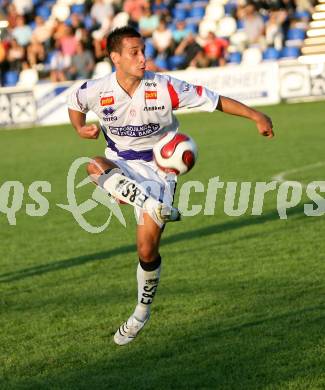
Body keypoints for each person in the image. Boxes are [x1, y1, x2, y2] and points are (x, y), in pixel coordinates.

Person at [67, 26, 274, 346]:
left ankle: (141, 312)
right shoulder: (96, 89)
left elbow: (214, 99)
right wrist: (80, 129)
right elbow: (75, 101)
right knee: (93, 165)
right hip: (120, 162)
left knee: (146, 249)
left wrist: (255, 115)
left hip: (160, 171)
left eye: (143, 50)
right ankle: (140, 199)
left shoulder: (163, 87)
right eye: (134, 52)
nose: (142, 58)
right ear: (115, 58)